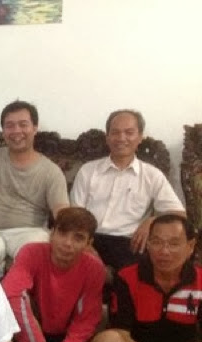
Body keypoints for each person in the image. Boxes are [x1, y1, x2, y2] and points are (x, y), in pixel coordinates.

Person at [1, 207, 124, 342]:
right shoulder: (30, 252)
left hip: (66, 338)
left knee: (115, 341)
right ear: (52, 233)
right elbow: (12, 295)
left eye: (78, 238)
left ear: (89, 243)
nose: (67, 243)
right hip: (30, 337)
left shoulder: (94, 268)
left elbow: (86, 319)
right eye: (62, 233)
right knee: (18, 305)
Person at [94, 214, 202, 342]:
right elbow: (122, 334)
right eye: (157, 242)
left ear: (190, 247)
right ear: (148, 245)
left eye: (174, 244)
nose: (164, 251)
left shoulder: (200, 279)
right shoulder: (127, 276)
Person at [70, 109, 185, 271]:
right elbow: (74, 215)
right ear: (107, 137)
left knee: (137, 272)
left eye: (129, 133)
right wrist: (85, 245)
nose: (121, 138)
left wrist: (152, 221)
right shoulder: (88, 171)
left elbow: (179, 213)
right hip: (89, 239)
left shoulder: (152, 175)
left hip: (128, 243)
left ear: (140, 137)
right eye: (115, 132)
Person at [0, 100, 69, 275]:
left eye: (23, 124)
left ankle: (18, 290)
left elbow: (62, 211)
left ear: (35, 128)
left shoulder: (51, 171)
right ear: (3, 131)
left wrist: (69, 236)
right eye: (10, 126)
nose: (16, 131)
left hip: (31, 232)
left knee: (32, 257)